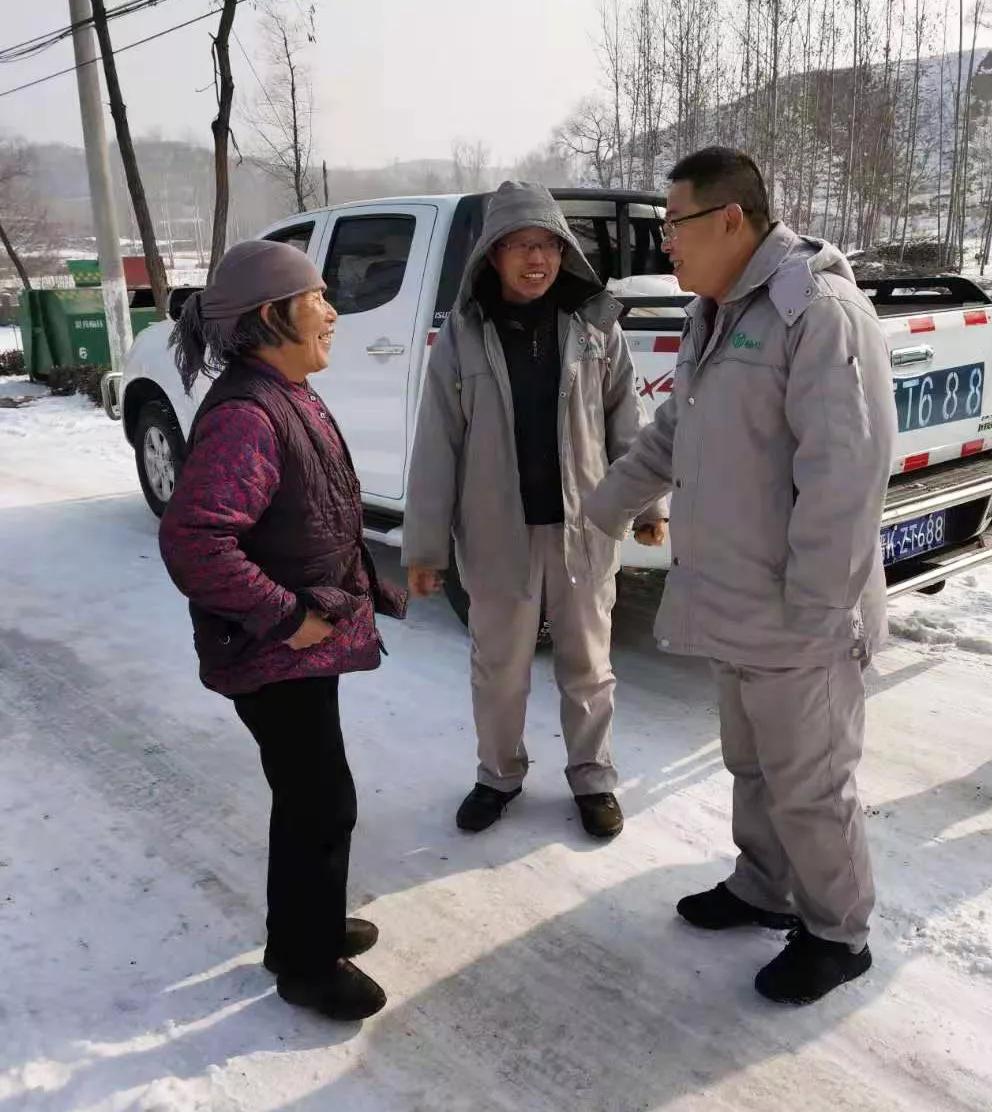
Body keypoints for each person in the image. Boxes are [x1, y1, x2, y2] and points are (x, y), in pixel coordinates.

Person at [585, 148, 897, 1004]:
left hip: (800, 612)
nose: (664, 245)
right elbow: (675, 430)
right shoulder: (717, 312)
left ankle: (839, 931)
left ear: (729, 218)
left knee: (811, 782)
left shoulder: (816, 311)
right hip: (733, 598)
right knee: (754, 766)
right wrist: (607, 503)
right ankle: (765, 887)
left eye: (672, 225)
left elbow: (847, 473)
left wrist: (821, 608)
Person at [159, 240, 406, 1022]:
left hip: (299, 644)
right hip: (273, 652)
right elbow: (195, 540)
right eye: (318, 298)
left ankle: (304, 930)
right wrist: (286, 615)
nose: (332, 312)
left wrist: (366, 590)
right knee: (319, 803)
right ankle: (306, 965)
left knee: (309, 797)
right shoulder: (247, 414)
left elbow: (316, 515)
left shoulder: (286, 390)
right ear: (272, 316)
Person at [403, 180, 667, 839]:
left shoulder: (596, 327)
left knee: (589, 668)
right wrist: (426, 549)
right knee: (500, 671)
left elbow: (627, 429)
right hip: (496, 537)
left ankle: (593, 777)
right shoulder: (462, 337)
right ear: (492, 255)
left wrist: (647, 505)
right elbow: (437, 446)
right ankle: (498, 774)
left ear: (564, 250)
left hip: (584, 529)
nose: (536, 259)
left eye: (548, 244)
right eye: (520, 245)